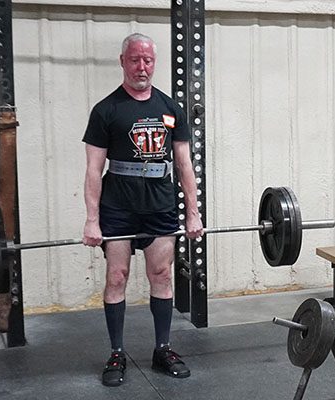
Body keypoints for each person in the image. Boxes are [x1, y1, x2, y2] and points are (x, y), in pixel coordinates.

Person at [82, 32, 204, 387]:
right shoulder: (106, 110)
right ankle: (117, 352)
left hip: (160, 207)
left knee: (162, 276)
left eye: (148, 60)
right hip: (118, 207)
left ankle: (162, 348)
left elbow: (184, 165)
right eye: (134, 59)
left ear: (155, 62)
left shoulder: (169, 108)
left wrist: (193, 213)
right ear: (123, 61)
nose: (142, 67)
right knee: (117, 277)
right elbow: (93, 170)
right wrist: (92, 220)